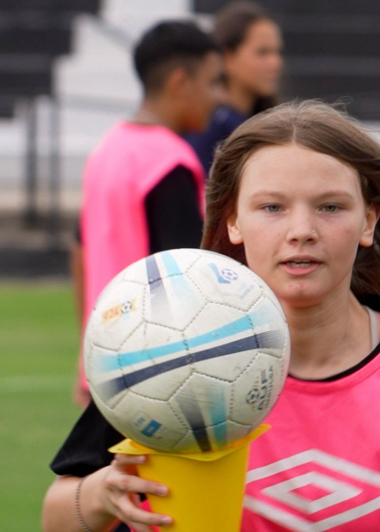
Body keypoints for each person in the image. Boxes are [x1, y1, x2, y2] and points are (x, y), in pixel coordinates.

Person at [41, 101, 380, 532]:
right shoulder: (167, 354)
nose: (302, 230)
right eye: (272, 207)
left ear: (369, 221)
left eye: (330, 207)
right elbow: (58, 515)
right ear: (233, 219)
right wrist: (101, 495)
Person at [68, 21, 223, 408]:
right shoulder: (169, 161)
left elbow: (80, 250)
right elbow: (185, 274)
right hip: (153, 372)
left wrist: (86, 352)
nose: (218, 97)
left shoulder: (107, 148)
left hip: (104, 359)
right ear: (180, 83)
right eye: (212, 82)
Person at [184, 0, 283, 175]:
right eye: (263, 52)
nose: (275, 63)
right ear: (227, 58)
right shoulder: (209, 126)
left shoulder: (262, 121)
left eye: (277, 52)